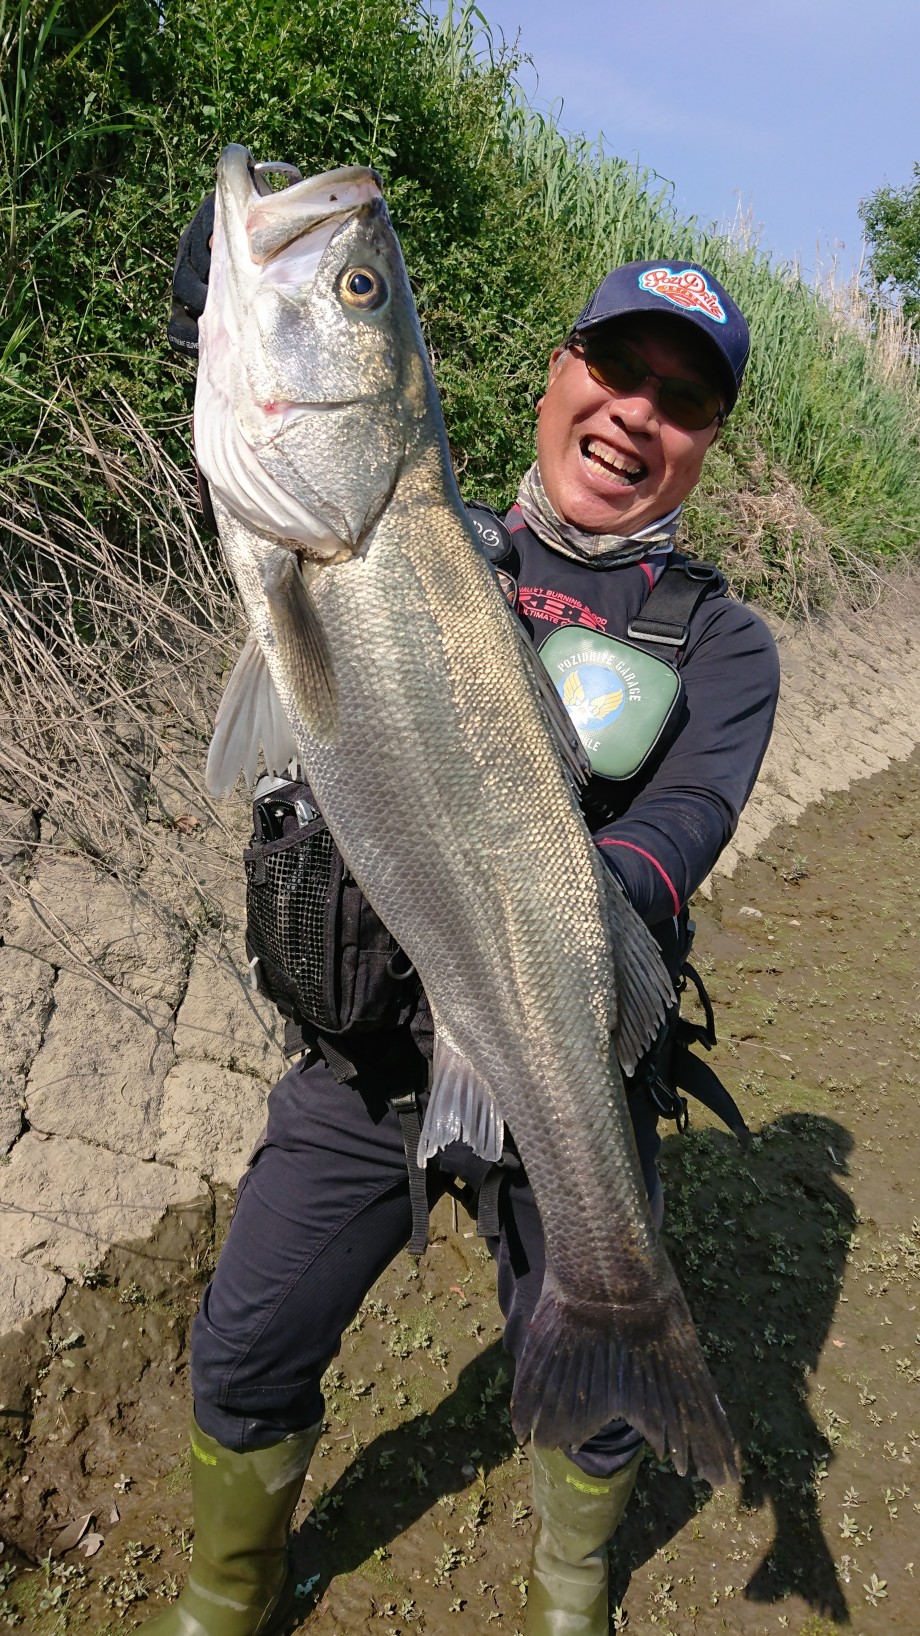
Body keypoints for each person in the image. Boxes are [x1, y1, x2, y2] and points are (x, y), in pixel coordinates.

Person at [151, 231, 780, 1635]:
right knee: (249, 1337)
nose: (637, 413)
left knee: (594, 1377)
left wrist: (549, 916)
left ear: (706, 444)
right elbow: (274, 460)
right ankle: (222, 1594)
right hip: (364, 1048)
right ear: (559, 374)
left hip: (561, 1061)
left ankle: (570, 1596)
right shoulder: (436, 546)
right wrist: (217, 320)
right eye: (618, 367)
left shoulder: (723, 646)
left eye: (683, 401)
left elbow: (679, 834)